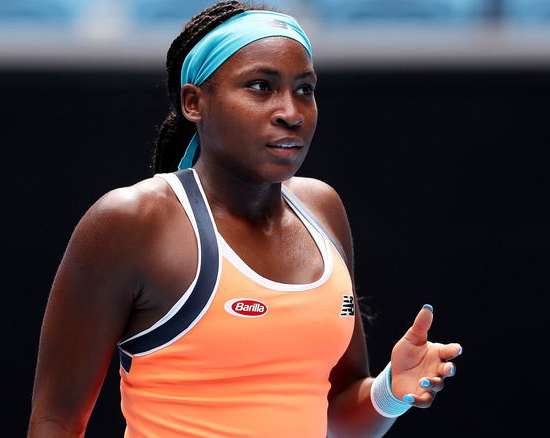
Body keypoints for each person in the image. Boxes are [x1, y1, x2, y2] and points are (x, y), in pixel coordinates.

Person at [28, 1, 462, 437]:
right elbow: (57, 422)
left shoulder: (322, 207)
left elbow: (336, 418)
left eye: (305, 89)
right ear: (194, 102)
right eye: (260, 86)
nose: (290, 113)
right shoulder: (133, 221)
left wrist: (390, 390)